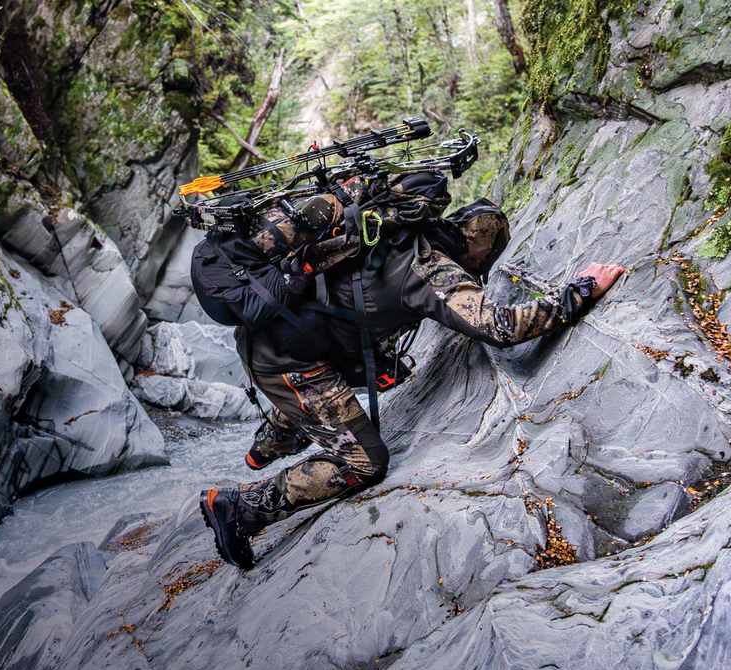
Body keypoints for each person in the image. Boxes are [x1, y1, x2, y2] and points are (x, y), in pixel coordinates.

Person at [197, 180, 625, 570]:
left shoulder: (395, 228)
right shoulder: (431, 270)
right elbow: (502, 327)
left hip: (298, 340)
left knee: (357, 380)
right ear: (479, 250)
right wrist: (582, 290)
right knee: (365, 462)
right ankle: (241, 508)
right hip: (290, 361)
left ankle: (269, 444)